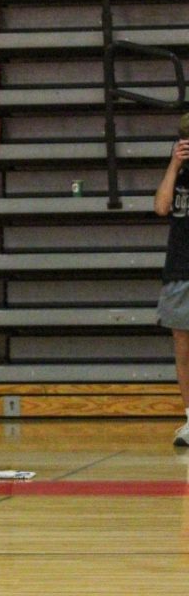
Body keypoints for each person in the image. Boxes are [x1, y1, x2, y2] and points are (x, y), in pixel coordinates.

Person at [155, 113, 189, 446]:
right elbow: (161, 207)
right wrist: (173, 166)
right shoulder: (177, 174)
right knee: (183, 350)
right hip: (179, 268)